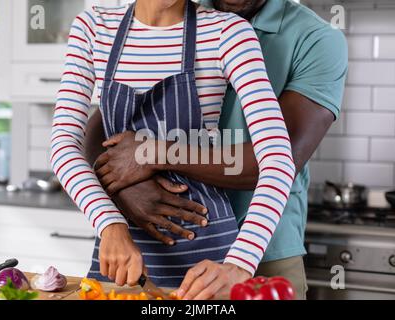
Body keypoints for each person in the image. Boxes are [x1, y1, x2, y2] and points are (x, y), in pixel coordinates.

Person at [85, 0, 348, 300]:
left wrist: (154, 154)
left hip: (262, 250)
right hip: (166, 235)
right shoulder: (177, 15)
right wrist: (123, 190)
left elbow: (271, 162)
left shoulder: (315, 39)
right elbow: (102, 127)